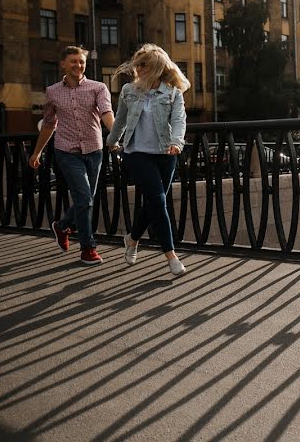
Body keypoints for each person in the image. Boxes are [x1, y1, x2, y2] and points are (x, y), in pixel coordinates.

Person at [106, 44, 190, 276]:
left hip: (166, 154)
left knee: (154, 202)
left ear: (156, 67)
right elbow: (120, 120)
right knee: (158, 201)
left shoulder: (173, 92)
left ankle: (132, 239)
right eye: (138, 64)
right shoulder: (128, 91)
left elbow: (179, 121)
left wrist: (177, 142)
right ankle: (171, 256)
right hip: (137, 153)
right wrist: (112, 141)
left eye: (144, 64)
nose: (138, 68)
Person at [30, 46, 114, 265]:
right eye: (73, 61)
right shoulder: (52, 92)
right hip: (67, 151)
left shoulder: (98, 87)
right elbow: (48, 124)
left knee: (86, 199)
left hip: (94, 150)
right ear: (63, 64)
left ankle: (61, 225)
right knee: (84, 198)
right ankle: (88, 249)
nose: (78, 65)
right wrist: (36, 152)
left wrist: (115, 137)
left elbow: (106, 113)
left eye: (81, 61)